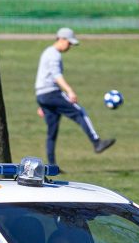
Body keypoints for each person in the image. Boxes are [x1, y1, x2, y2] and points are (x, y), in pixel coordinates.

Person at [35, 27, 115, 167]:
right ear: (61, 39)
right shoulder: (54, 54)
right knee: (80, 113)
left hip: (42, 94)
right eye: (69, 43)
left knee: (52, 131)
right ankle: (97, 142)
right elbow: (56, 75)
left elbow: (41, 78)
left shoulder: (47, 52)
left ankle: (51, 165)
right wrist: (69, 91)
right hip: (51, 93)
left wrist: (42, 103)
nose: (70, 46)